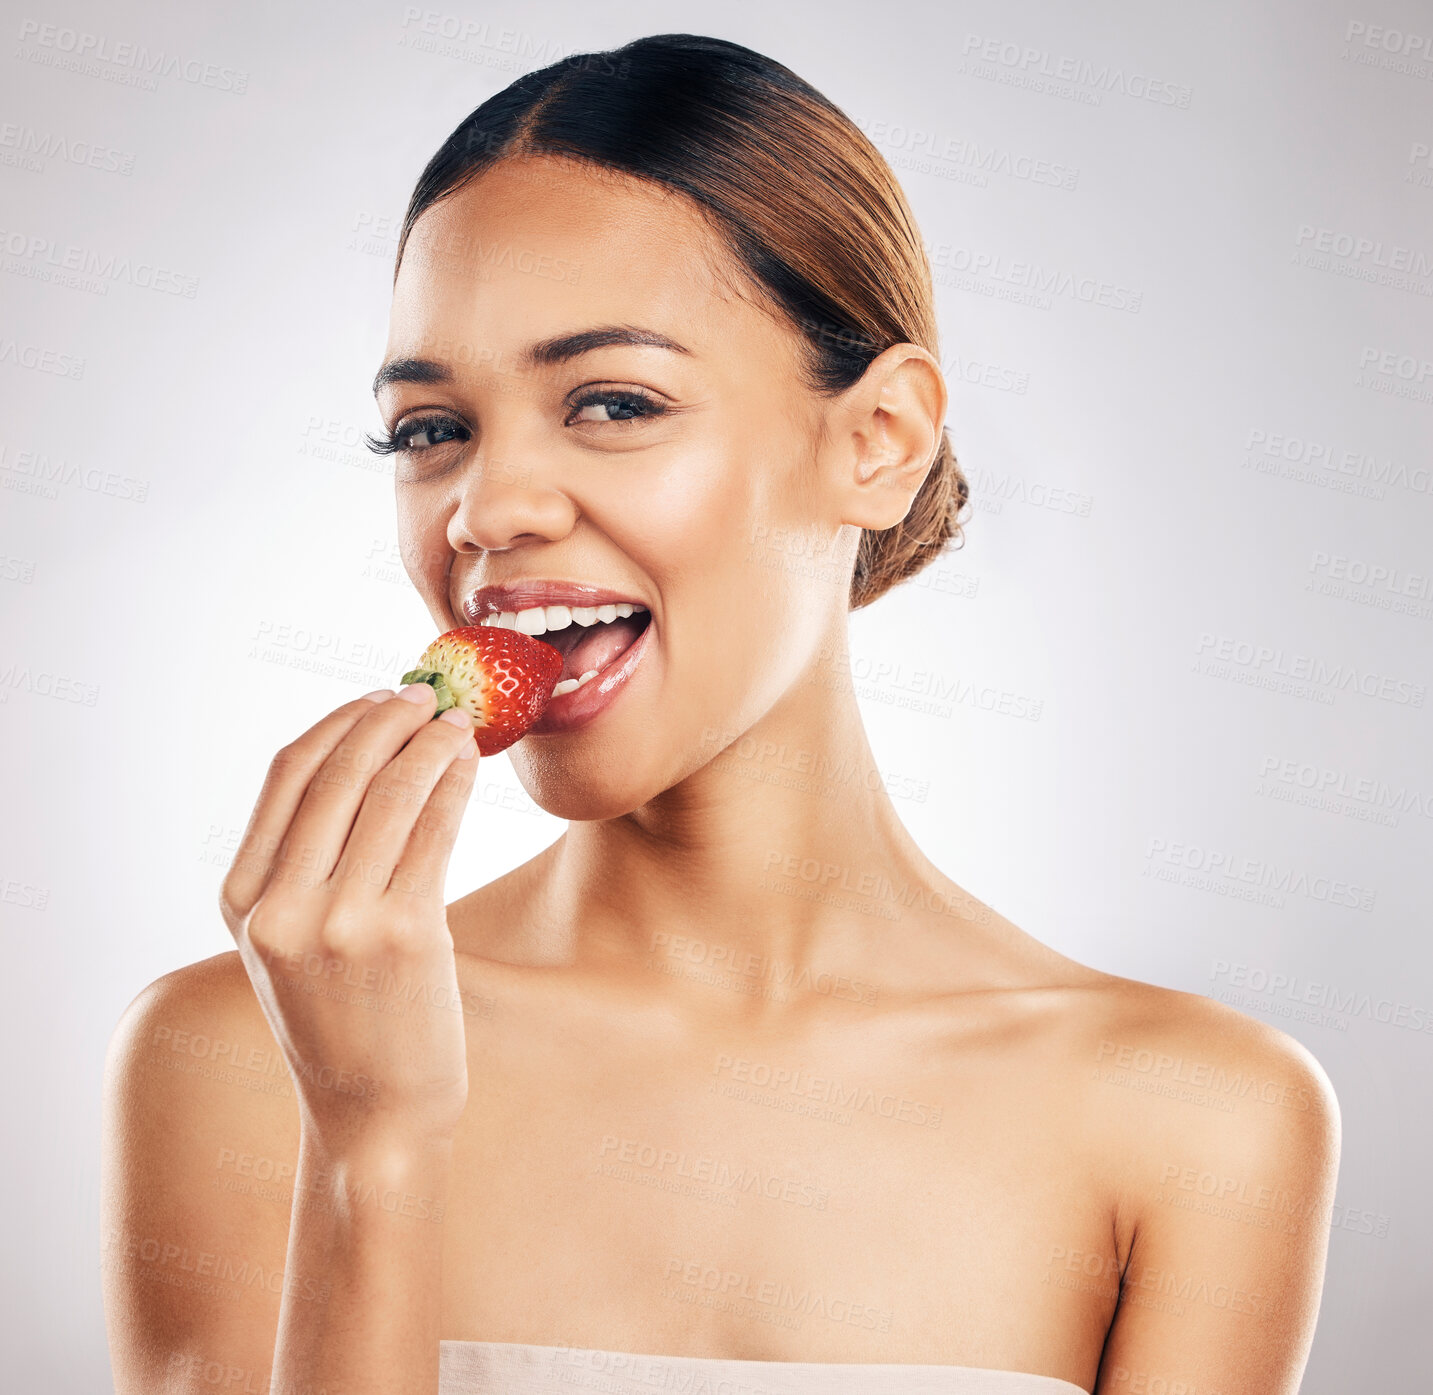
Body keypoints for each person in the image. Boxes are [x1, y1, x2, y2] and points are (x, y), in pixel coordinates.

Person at [101, 32, 1339, 1395]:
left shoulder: (1199, 1120)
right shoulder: (238, 1063)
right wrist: (373, 1153)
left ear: (878, 441)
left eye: (613, 402)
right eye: (428, 429)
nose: (487, 507)